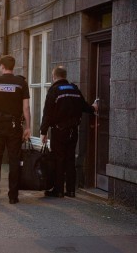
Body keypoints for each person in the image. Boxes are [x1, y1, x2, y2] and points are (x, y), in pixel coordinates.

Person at [40, 66, 98, 198]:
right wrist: (93, 108)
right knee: (70, 159)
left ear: (54, 76)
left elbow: (47, 113)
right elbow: (84, 106)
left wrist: (43, 132)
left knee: (59, 159)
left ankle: (59, 190)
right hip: (73, 131)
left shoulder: (54, 90)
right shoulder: (74, 89)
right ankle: (71, 190)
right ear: (65, 76)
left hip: (59, 131)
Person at [0, 55, 31, 204]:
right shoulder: (21, 83)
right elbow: (26, 107)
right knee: (14, 161)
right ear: (13, 66)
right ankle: (13, 197)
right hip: (14, 127)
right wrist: (28, 127)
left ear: (1, 66)